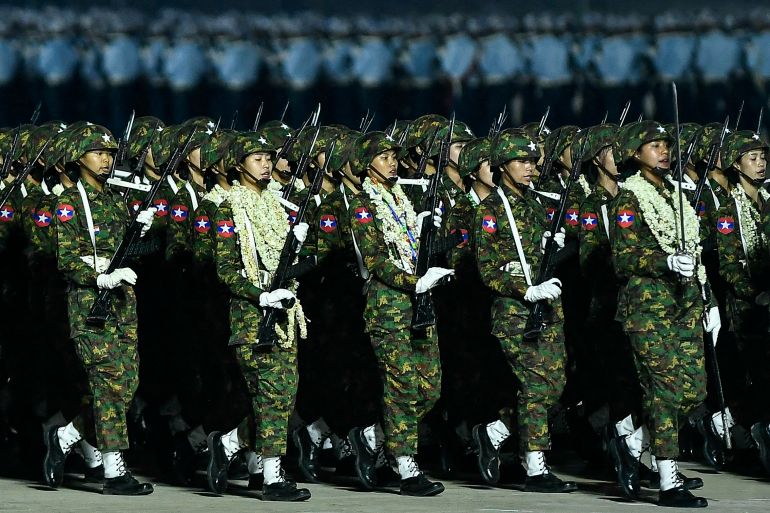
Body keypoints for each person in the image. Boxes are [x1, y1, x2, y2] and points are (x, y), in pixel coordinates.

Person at [43, 123, 156, 495]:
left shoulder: (114, 199)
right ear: (79, 157)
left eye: (109, 154)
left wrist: (142, 231)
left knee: (125, 387)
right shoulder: (69, 202)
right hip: (91, 304)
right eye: (98, 153)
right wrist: (100, 276)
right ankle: (113, 470)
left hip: (123, 306)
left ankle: (66, 436)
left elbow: (128, 251)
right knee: (108, 385)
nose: (106, 160)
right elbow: (67, 259)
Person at [610, 120, 718, 508]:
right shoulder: (628, 197)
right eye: (654, 146)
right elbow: (623, 258)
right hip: (649, 308)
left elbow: (696, 248)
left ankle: (631, 442)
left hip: (685, 305)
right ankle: (669, 480)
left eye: (666, 145)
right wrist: (665, 260)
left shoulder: (676, 194)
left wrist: (707, 299)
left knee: (694, 390)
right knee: (665, 393)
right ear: (635, 155)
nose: (664, 152)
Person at [205, 131, 312, 502]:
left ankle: (230, 442)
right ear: (238, 165)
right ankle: (271, 477)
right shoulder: (227, 207)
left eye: (268, 158)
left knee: (282, 397)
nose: (266, 164)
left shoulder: (277, 205)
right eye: (257, 158)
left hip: (284, 314)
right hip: (253, 316)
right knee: (272, 397)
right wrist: (261, 294)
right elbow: (227, 269)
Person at [346, 131, 452, 496]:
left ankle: (373, 436)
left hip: (419, 304)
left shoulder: (402, 198)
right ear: (366, 164)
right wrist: (415, 282)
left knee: (431, 387)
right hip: (389, 307)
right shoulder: (362, 204)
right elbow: (374, 259)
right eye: (384, 156)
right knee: (402, 388)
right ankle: (406, 467)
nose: (393, 162)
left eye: (394, 156)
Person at [471, 128, 576, 493]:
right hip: (516, 311)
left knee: (554, 384)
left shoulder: (535, 204)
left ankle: (494, 432)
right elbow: (488, 268)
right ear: (502, 166)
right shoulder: (491, 210)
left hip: (547, 308)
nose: (530, 167)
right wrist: (525, 290)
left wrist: (554, 245)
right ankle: (535, 467)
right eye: (521, 161)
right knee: (535, 387)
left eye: (532, 160)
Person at [713, 131, 770, 476]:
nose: (761, 163)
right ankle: (741, 422)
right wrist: (757, 294)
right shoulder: (728, 210)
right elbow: (729, 265)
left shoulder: (768, 201)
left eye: (763, 157)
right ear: (736, 164)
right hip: (749, 307)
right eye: (752, 157)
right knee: (760, 375)